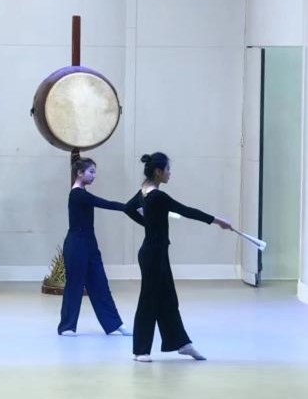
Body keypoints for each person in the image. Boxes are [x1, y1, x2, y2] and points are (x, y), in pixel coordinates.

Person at [124, 152, 231, 362]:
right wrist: (217, 221)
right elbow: (186, 211)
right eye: (168, 170)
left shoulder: (143, 192)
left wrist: (148, 224)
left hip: (155, 253)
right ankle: (141, 350)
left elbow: (129, 208)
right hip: (153, 255)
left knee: (168, 299)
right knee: (149, 300)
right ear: (158, 172)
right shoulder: (158, 196)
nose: (170, 174)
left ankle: (181, 344)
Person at [58, 158, 136, 337]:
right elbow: (104, 203)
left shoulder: (83, 193)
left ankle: (114, 324)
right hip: (76, 244)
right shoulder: (77, 194)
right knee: (75, 285)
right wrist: (129, 208)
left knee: (100, 284)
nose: (94, 176)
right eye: (91, 172)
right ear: (80, 173)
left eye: (95, 172)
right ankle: (66, 326)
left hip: (90, 244)